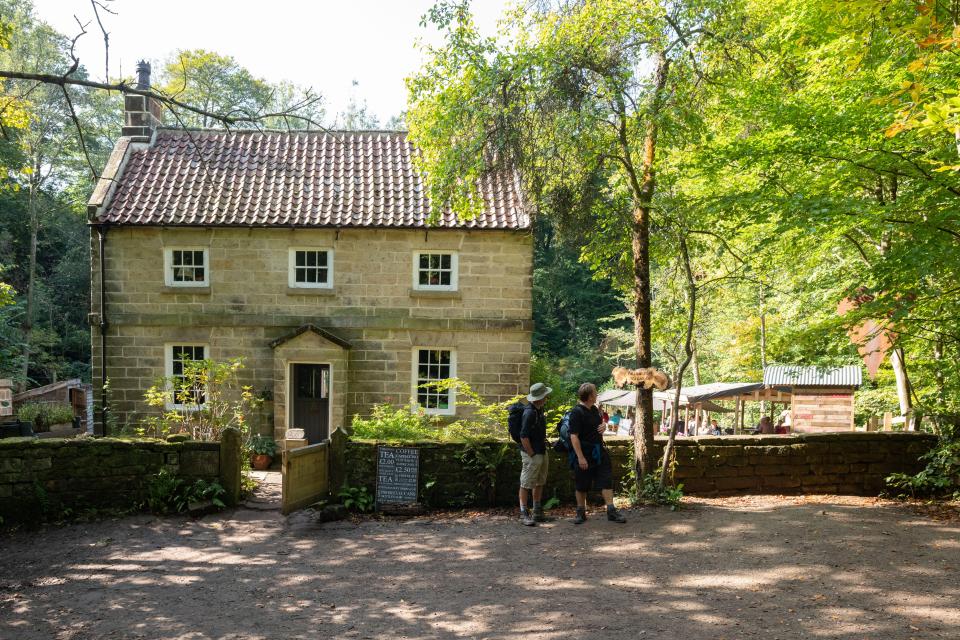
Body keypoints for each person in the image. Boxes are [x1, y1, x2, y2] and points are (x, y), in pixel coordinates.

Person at [568, 383, 627, 524]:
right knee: (581, 484)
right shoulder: (576, 412)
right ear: (589, 396)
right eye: (595, 392)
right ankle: (580, 513)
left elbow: (598, 425)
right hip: (584, 454)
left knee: (606, 480)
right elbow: (573, 436)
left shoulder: (594, 409)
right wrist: (580, 457)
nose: (597, 394)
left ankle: (611, 512)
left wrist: (604, 426)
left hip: (599, 452)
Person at [518, 382, 552, 526]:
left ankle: (537, 512)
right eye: (545, 395)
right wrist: (531, 454)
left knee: (539, 481)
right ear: (540, 397)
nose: (547, 398)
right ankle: (524, 513)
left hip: (541, 452)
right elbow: (523, 436)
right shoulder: (529, 412)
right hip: (532, 454)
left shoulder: (539, 410)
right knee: (526, 483)